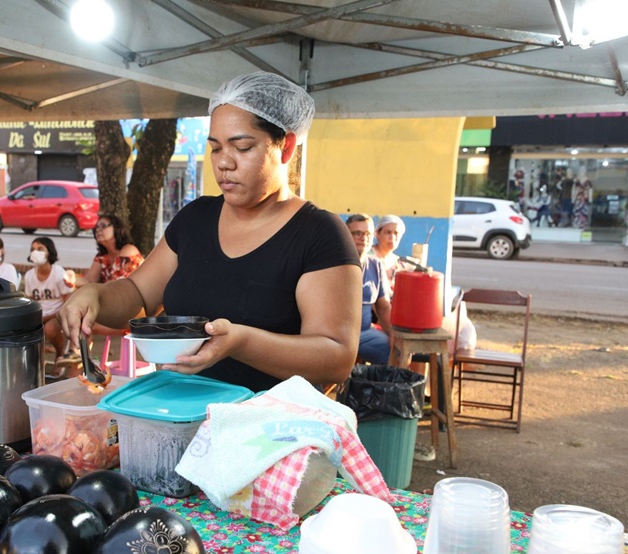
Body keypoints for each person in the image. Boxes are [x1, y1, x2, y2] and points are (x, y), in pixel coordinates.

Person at [59, 71, 362, 392]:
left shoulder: (319, 234)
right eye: (215, 148)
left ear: (286, 147)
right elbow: (137, 294)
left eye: (242, 147)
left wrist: (241, 342)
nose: (224, 163)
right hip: (181, 414)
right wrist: (95, 295)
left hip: (272, 432)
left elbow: (337, 358)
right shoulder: (196, 218)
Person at [346, 214, 392, 365]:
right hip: (337, 334)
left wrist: (393, 335)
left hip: (365, 333)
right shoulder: (333, 263)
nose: (363, 238)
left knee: (396, 351)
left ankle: (384, 389)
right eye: (357, 233)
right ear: (346, 235)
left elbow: (384, 306)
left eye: (367, 234)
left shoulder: (375, 265)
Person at [23, 237, 76, 365]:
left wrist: (49, 317)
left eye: (40, 249)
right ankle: (33, 363)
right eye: (33, 249)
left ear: (49, 252)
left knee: (50, 329)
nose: (35, 252)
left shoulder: (58, 273)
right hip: (40, 315)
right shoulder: (29, 276)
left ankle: (60, 354)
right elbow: (30, 301)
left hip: (58, 314)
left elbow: (68, 301)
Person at [81, 215, 144, 285]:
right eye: (97, 228)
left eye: (103, 226)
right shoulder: (102, 256)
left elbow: (114, 284)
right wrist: (69, 278)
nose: (98, 230)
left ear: (116, 229)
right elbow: (89, 280)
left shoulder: (129, 250)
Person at [370, 214, 406, 286]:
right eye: (388, 232)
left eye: (396, 233)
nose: (392, 237)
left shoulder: (400, 263)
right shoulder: (369, 256)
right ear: (377, 234)